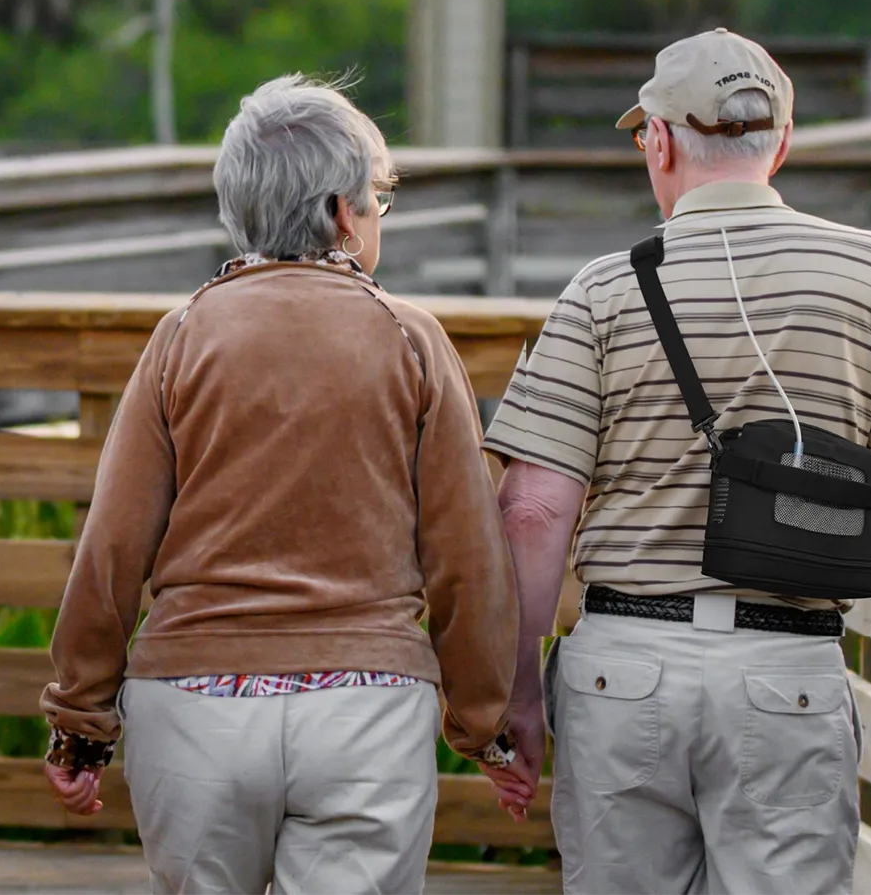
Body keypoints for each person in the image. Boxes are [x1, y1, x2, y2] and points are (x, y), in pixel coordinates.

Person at [38, 74, 527, 895]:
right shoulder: (409, 339)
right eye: (377, 200)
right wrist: (485, 727)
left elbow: (115, 543)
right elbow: (465, 553)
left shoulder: (183, 333)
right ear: (343, 212)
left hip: (194, 710)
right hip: (364, 709)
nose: (378, 219)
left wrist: (80, 723)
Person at [483, 30, 871, 892]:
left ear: (657, 141)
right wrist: (803, 562)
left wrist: (518, 697)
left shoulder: (603, 290)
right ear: (783, 140)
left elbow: (534, 508)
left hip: (625, 668)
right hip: (788, 666)